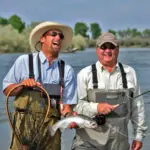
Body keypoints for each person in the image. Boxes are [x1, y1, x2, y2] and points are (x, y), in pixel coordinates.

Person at [3, 21, 77, 150]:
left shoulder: (68, 70)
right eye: (53, 34)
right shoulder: (24, 61)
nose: (58, 38)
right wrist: (21, 85)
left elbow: (66, 107)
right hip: (23, 129)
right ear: (42, 39)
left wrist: (70, 117)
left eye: (61, 36)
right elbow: (6, 90)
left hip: (51, 132)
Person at [72, 32, 147, 150]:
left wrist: (139, 136)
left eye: (111, 47)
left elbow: (138, 107)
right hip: (88, 144)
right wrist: (96, 108)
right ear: (97, 50)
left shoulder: (130, 72)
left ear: (118, 50)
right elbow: (76, 107)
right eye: (103, 47)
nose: (107, 50)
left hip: (119, 144)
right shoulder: (84, 74)